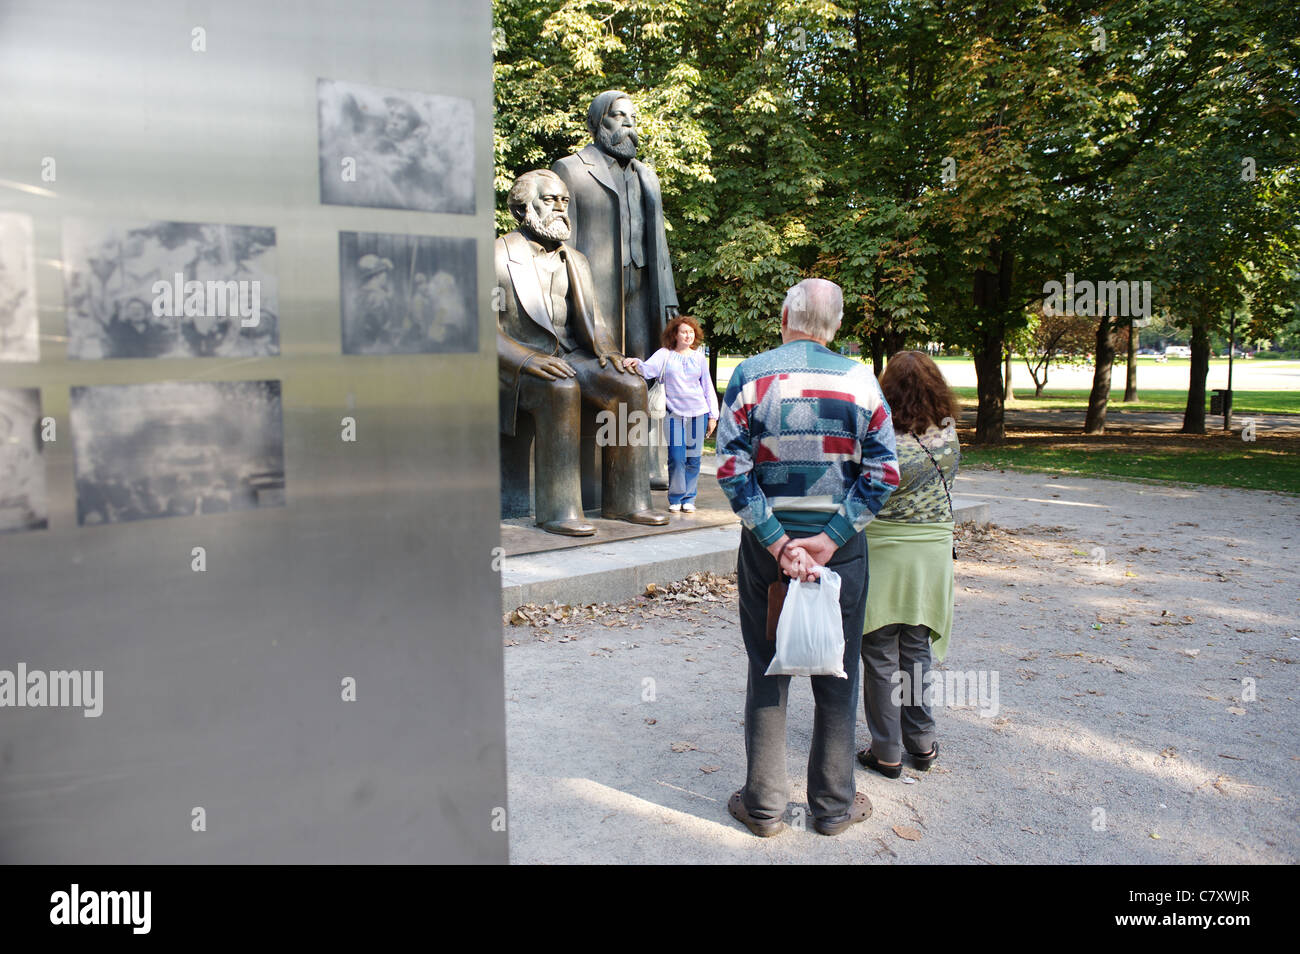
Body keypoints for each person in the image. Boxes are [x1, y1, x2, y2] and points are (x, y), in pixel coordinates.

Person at [716, 278, 899, 837]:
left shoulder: (751, 375)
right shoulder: (862, 380)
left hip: (767, 555)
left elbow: (730, 468)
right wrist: (830, 538)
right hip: (838, 556)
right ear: (836, 326)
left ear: (784, 316)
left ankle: (765, 808)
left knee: (768, 668)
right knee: (837, 675)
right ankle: (833, 807)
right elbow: (883, 472)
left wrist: (777, 540)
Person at [496, 169, 667, 535]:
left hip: (572, 357)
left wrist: (610, 353)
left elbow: (597, 325)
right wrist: (528, 360)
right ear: (522, 209)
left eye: (564, 201)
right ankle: (560, 510)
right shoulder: (496, 254)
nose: (560, 208)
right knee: (561, 389)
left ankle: (628, 501)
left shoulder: (577, 260)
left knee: (630, 386)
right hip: (519, 363)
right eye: (550, 200)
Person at [855, 351, 960, 780]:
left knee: (879, 651)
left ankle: (886, 752)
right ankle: (922, 743)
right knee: (916, 647)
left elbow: (866, 490)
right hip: (932, 551)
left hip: (884, 549)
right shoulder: (949, 435)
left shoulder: (880, 438)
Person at [621, 315, 718, 512]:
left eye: (691, 332)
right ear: (675, 334)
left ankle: (689, 498)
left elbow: (708, 387)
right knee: (676, 457)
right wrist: (635, 362)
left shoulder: (699, 357)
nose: (688, 335)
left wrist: (713, 415)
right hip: (674, 414)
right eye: (684, 332)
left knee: (694, 458)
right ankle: (676, 497)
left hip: (698, 413)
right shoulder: (664, 354)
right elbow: (647, 370)